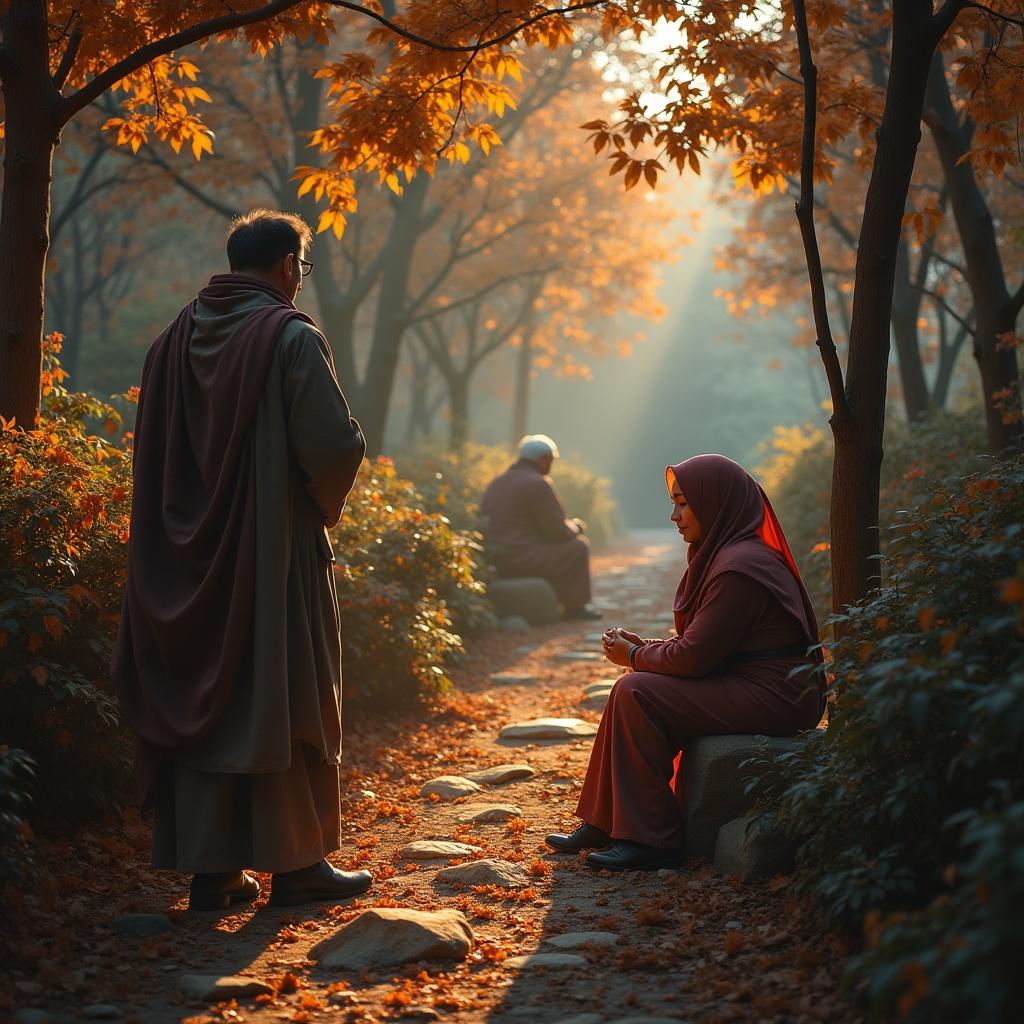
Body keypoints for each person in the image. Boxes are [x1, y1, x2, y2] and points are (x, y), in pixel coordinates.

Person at [113, 209, 372, 910]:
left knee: (204, 693)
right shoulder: (289, 335)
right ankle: (296, 868)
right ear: (289, 266)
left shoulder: (172, 340)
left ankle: (213, 871)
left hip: (179, 560)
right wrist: (316, 502)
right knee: (281, 691)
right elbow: (332, 447)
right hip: (269, 553)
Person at [545, 454, 825, 871]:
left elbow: (694, 658)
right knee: (633, 688)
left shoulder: (741, 568)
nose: (674, 515)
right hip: (753, 680)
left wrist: (637, 656)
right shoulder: (729, 554)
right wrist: (646, 650)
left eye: (682, 503)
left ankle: (650, 839)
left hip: (779, 694)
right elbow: (706, 645)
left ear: (716, 502)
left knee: (636, 691)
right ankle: (605, 820)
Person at [479, 434, 599, 621]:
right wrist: (575, 527)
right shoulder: (537, 483)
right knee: (578, 547)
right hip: (521, 557)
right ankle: (575, 608)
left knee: (559, 550)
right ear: (544, 460)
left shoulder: (498, 481)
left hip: (495, 557)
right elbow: (557, 531)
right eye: (551, 462)